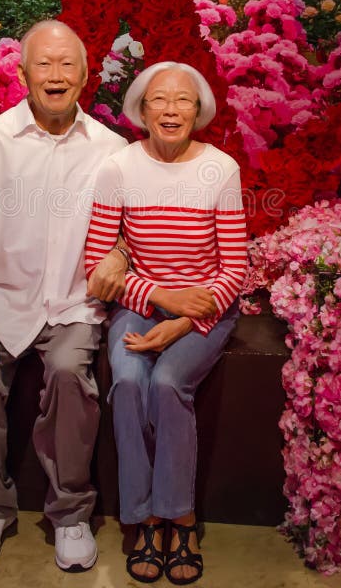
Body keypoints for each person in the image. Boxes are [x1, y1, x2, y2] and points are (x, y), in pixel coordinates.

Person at [0, 19, 129, 571]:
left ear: (85, 75)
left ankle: (71, 513)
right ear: (23, 74)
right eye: (43, 64)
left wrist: (119, 255)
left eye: (67, 64)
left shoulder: (111, 148)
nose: (56, 75)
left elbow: (128, 230)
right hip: (3, 299)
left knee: (72, 372)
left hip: (74, 303)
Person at [85, 61, 248, 585]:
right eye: (159, 100)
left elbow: (235, 268)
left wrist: (184, 320)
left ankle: (180, 517)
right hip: (144, 298)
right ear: (141, 109)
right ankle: (143, 516)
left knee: (170, 381)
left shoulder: (219, 168)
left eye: (183, 100)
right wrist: (160, 298)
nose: (171, 110)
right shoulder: (119, 167)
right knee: (130, 381)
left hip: (205, 304)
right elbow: (95, 264)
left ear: (198, 110)